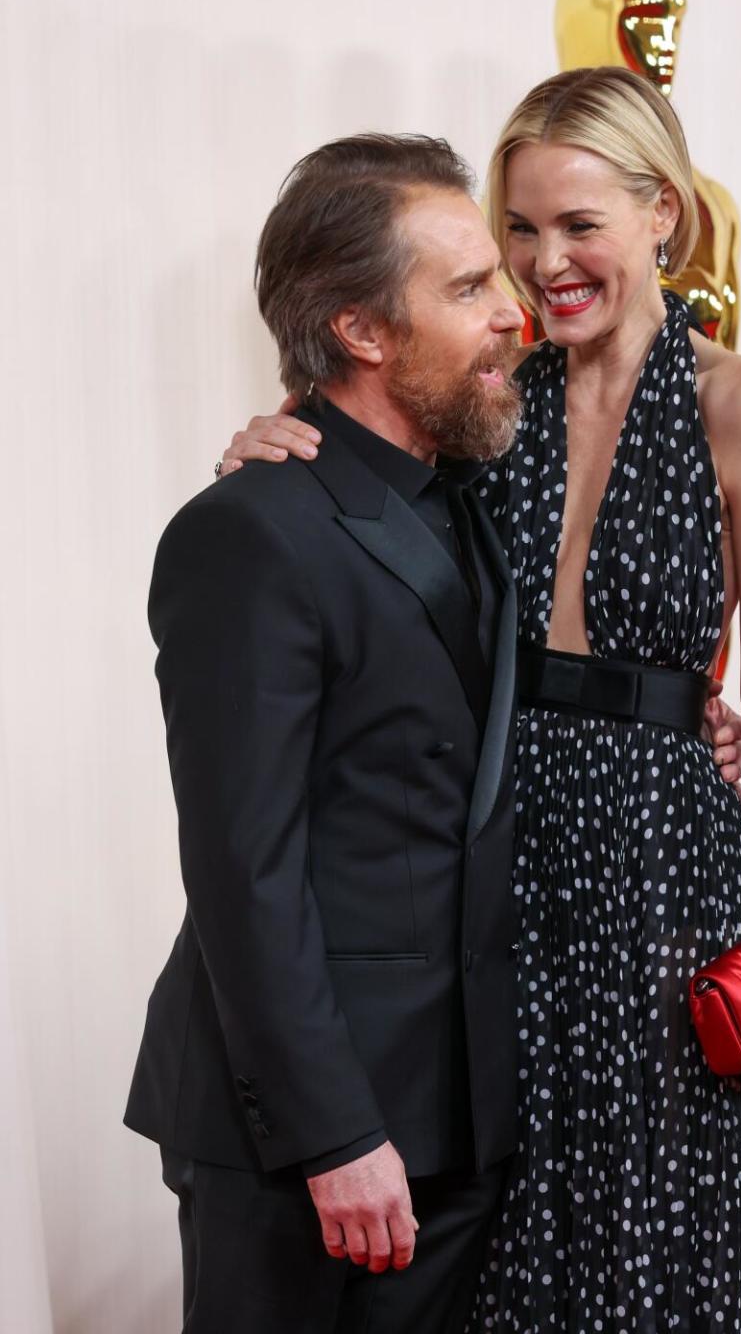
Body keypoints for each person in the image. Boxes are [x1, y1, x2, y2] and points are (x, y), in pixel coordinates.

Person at [219, 69, 741, 1334]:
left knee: (655, 1225)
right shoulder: (496, 394)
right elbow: (359, 478)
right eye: (517, 228)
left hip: (662, 867)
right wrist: (262, 446)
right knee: (505, 1227)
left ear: (663, 212)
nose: (541, 263)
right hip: (490, 851)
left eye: (579, 224)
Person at [125, 133, 532, 1334]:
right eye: (467, 287)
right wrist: (335, 1132)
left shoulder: (474, 487)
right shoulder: (251, 531)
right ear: (362, 330)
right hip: (308, 1136)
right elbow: (244, 870)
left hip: (462, 1110)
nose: (512, 309)